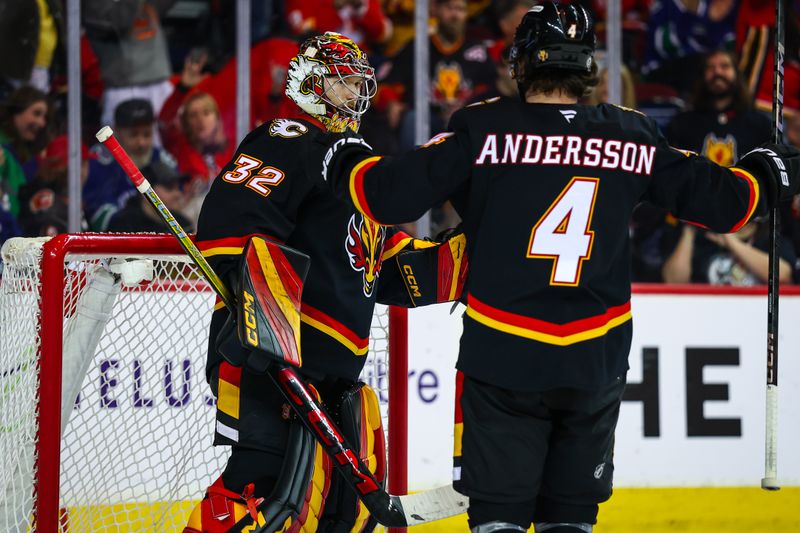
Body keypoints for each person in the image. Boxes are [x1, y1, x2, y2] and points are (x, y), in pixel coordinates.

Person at [320, 4, 800, 532]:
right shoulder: (632, 135)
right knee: (570, 522)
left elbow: (384, 195)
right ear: (587, 66)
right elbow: (730, 204)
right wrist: (774, 168)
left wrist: (337, 151)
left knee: (498, 519)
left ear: (521, 63)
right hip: (595, 361)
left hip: (505, 355)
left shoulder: (484, 130)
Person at [187, 32, 467, 532]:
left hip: (331, 376)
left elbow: (386, 268)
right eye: (342, 84)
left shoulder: (354, 169)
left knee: (338, 510)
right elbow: (230, 233)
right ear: (310, 84)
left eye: (360, 83)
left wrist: (471, 255)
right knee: (260, 483)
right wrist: (271, 339)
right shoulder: (286, 140)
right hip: (269, 360)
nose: (355, 95)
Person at [85, 98, 176, 230]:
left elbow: (181, 205)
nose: (141, 143)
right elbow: (99, 219)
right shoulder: (101, 162)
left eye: (147, 134)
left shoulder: (161, 158)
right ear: (117, 131)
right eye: (134, 135)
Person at [106, 160, 193, 233]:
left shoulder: (183, 225)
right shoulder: (123, 224)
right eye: (169, 188)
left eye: (178, 188)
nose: (177, 194)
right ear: (145, 192)